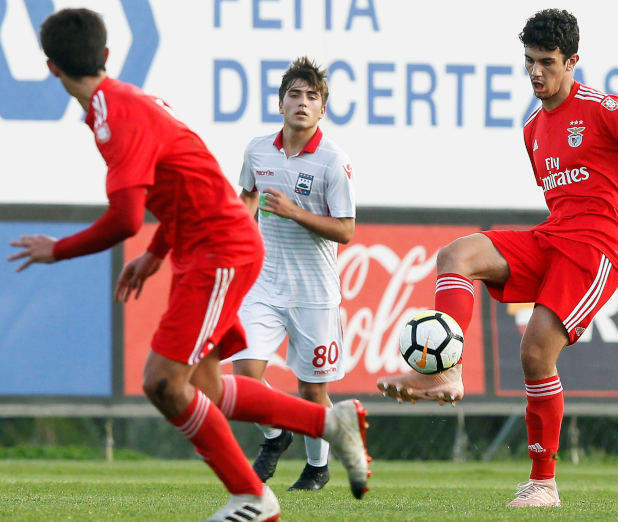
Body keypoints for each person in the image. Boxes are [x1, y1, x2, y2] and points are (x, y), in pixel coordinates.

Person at [8, 9, 369, 521]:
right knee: (206, 387)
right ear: (107, 56)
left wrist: (58, 248)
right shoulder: (125, 102)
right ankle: (331, 425)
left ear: (51, 68)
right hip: (206, 247)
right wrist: (157, 255)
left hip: (219, 248)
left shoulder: (114, 115)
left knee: (163, 383)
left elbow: (127, 218)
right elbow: (183, 179)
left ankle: (253, 497)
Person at [378, 8, 618, 507]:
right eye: (528, 62)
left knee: (535, 353)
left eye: (547, 62)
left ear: (572, 61)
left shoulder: (603, 108)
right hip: (555, 235)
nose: (536, 73)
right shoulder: (533, 127)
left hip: (597, 248)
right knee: (456, 254)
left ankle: (543, 483)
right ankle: (445, 370)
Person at [230, 56, 356, 492]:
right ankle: (275, 435)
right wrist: (242, 231)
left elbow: (346, 230)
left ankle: (317, 468)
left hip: (315, 293)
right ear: (280, 103)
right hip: (264, 283)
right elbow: (247, 195)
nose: (302, 102)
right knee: (246, 372)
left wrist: (294, 212)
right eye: (295, 94)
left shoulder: (333, 162)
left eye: (312, 96)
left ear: (323, 110)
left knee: (311, 392)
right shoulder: (257, 149)